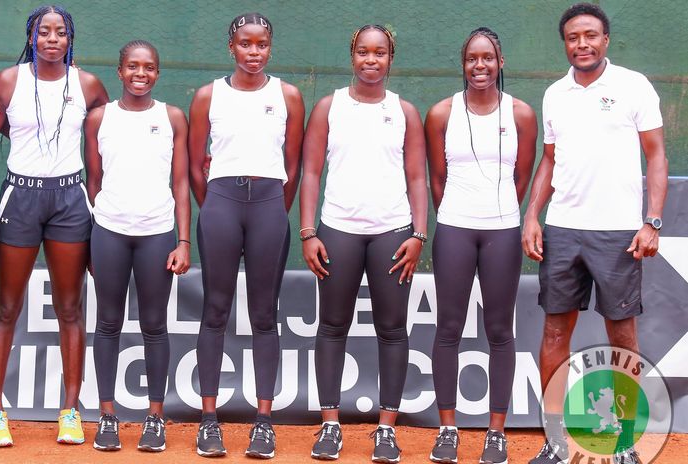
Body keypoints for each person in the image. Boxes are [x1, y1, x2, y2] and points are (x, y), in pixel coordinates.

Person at [522, 4, 667, 464]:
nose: (581, 44)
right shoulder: (554, 94)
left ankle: (621, 442)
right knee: (553, 334)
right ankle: (555, 440)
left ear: (605, 40)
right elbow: (549, 159)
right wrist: (533, 216)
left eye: (590, 35)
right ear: (564, 43)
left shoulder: (633, 85)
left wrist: (652, 220)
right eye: (572, 37)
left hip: (618, 233)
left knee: (622, 336)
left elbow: (657, 154)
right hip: (563, 230)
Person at [0, 4, 108, 447]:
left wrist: (101, 207)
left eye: (61, 32)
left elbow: (102, 150)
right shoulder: (8, 82)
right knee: (6, 307)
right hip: (22, 196)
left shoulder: (88, 85)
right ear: (31, 37)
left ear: (70, 39)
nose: (52, 39)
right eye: (43, 32)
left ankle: (70, 411)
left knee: (70, 308)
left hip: (71, 199)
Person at [300, 24, 428, 463]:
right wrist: (309, 231)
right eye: (362, 52)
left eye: (380, 53)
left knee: (392, 329)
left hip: (393, 233)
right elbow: (311, 172)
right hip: (337, 230)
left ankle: (386, 430)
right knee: (332, 326)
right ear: (351, 55)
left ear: (391, 59)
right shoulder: (328, 107)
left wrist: (418, 233)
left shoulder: (405, 110)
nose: (371, 60)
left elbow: (416, 176)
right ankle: (330, 426)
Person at [187, 12, 305, 459]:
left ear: (270, 48)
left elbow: (292, 166)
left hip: (269, 205)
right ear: (231, 47)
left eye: (261, 44)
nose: (253, 52)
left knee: (263, 315)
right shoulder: (207, 96)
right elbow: (197, 162)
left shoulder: (288, 95)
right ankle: (209, 420)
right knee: (214, 310)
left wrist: (272, 207)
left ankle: (263, 421)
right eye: (245, 44)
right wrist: (216, 203)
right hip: (220, 204)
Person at [424, 27, 537, 464]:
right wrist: (456, 213)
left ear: (501, 61)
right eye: (472, 58)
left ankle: (495, 432)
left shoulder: (522, 114)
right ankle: (448, 429)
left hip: (503, 231)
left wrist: (503, 212)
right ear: (463, 63)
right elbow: (437, 179)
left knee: (499, 332)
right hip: (453, 227)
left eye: (488, 57)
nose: (480, 65)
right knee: (447, 329)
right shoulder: (440, 113)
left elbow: (521, 177)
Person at [83, 39, 191, 453]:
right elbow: (94, 180)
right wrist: (102, 222)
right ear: (120, 70)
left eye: (148, 67)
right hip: (108, 231)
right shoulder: (99, 119)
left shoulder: (172, 118)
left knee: (154, 325)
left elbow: (181, 184)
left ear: (158, 74)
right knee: (108, 323)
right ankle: (107, 417)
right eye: (132, 66)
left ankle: (154, 418)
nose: (140, 74)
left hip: (158, 233)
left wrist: (182, 240)